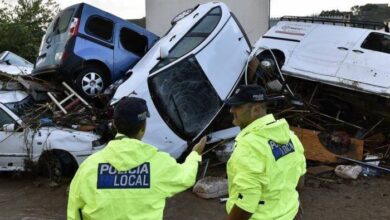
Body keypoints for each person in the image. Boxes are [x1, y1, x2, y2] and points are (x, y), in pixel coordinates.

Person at [67, 97, 206, 220]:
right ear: (143, 128)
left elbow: (74, 210)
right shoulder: (160, 163)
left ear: (114, 124)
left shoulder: (89, 167)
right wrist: (194, 155)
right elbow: (186, 177)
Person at [224, 85, 306, 220]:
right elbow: (299, 181)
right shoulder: (290, 137)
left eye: (237, 106)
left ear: (256, 110)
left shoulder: (249, 146)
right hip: (292, 213)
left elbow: (247, 202)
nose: (231, 110)